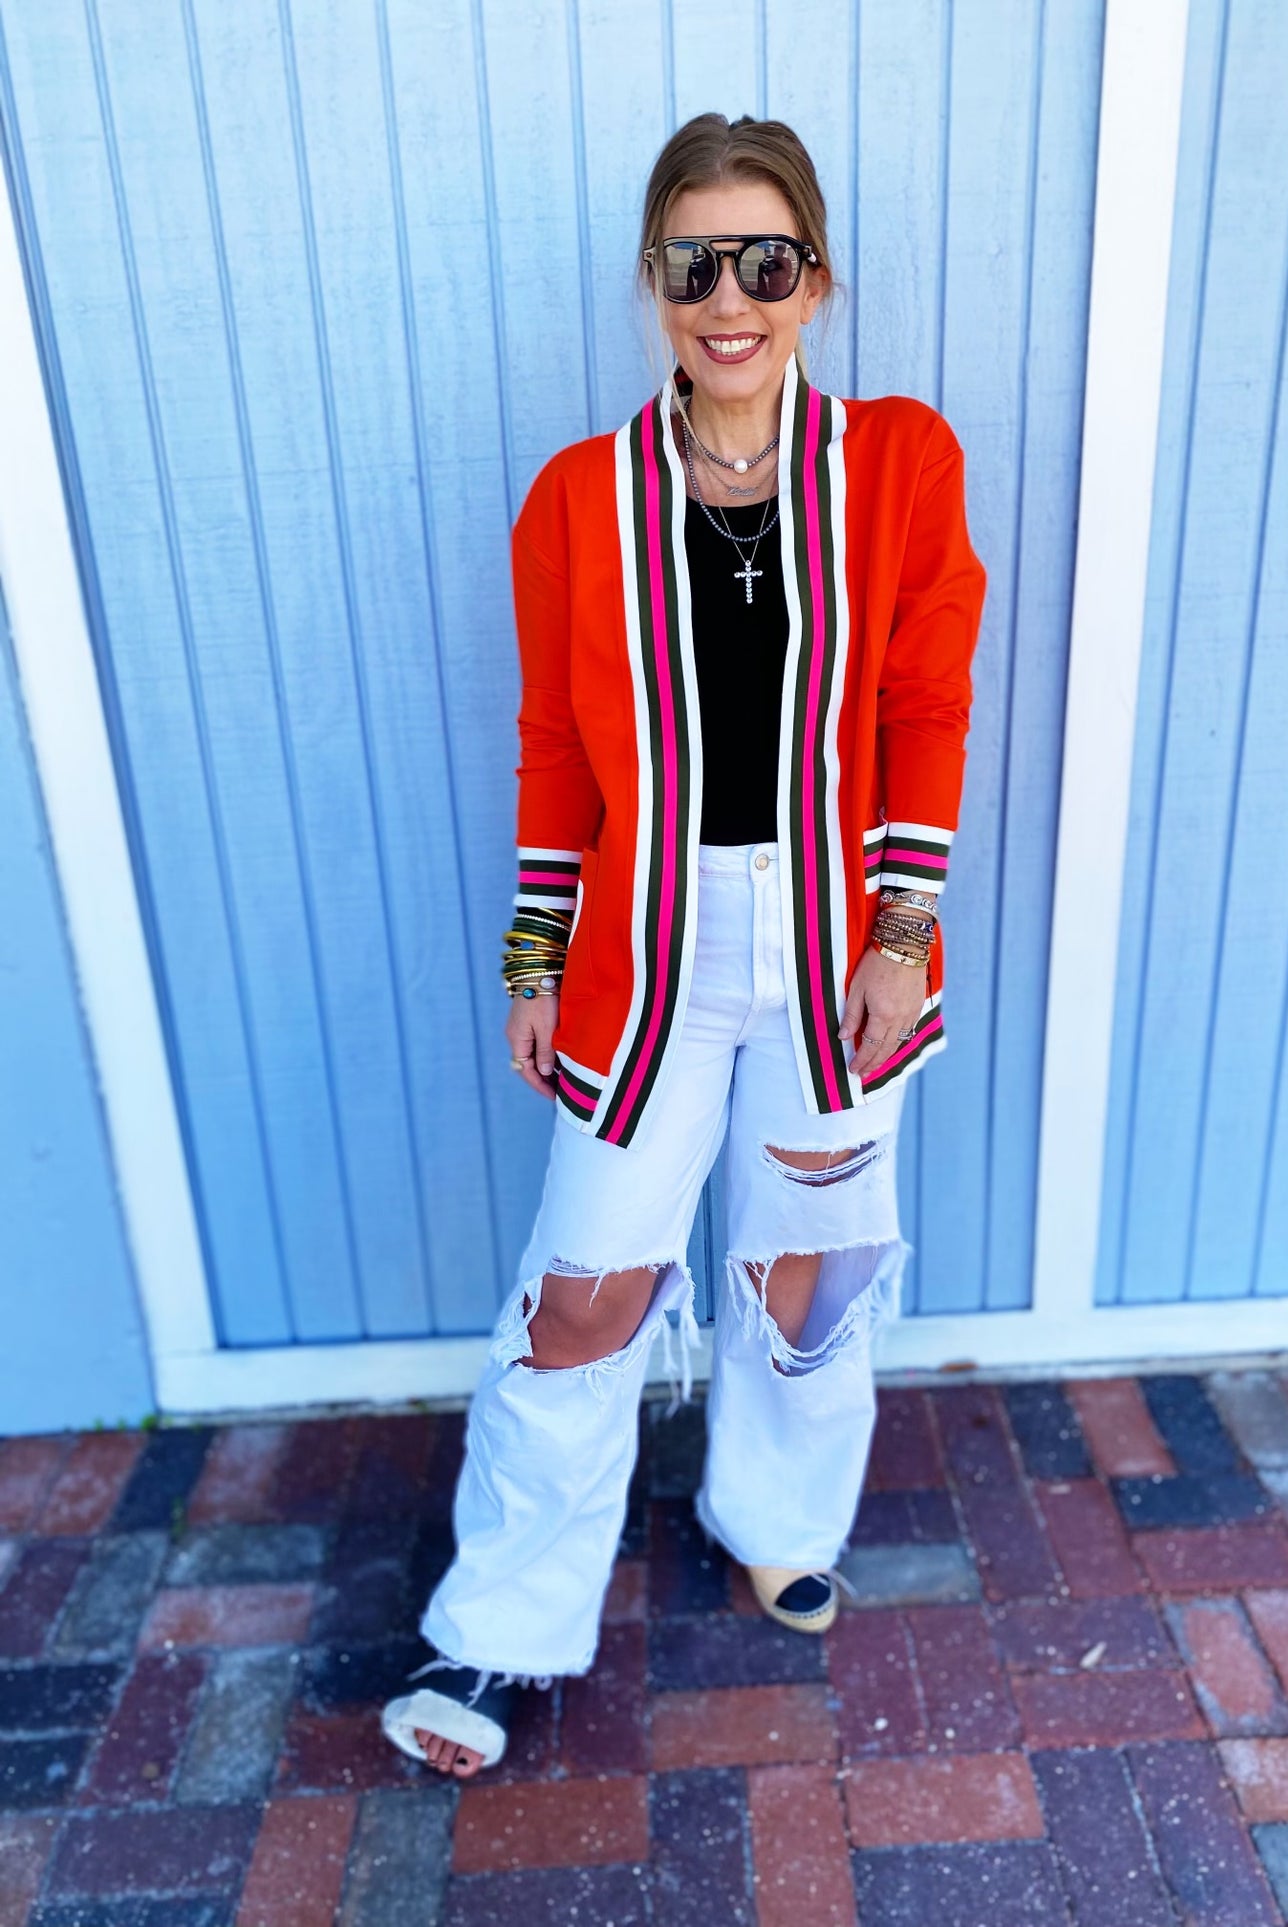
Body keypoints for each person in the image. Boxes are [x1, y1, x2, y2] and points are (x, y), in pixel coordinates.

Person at [381, 111, 986, 1776]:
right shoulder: (581, 498)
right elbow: (555, 751)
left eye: (765, 263)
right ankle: (499, 1628)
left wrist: (902, 926)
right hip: (643, 955)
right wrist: (533, 956)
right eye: (692, 263)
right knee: (584, 1292)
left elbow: (926, 705)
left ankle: (779, 1522)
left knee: (812, 1274)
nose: (729, 299)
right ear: (652, 281)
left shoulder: (899, 464)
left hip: (837, 938)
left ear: (817, 281)